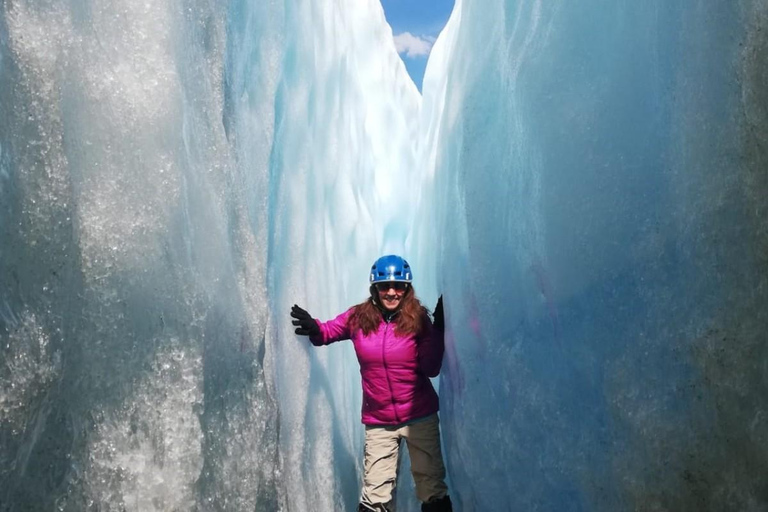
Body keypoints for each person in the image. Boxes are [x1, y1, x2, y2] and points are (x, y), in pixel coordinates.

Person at [290, 255, 453, 512]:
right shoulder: (358, 317)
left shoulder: (418, 319)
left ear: (407, 288)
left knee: (432, 489)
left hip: (419, 415)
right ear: (374, 288)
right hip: (379, 420)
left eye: (398, 286)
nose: (391, 291)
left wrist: (437, 331)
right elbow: (329, 331)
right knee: (374, 497)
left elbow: (431, 368)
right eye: (384, 285)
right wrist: (314, 328)